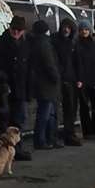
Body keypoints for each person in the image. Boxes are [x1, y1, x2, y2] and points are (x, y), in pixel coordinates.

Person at [0, 16, 32, 158]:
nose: (16, 32)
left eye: (19, 30)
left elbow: (29, 68)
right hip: (5, 88)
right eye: (14, 29)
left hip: (20, 88)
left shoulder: (26, 44)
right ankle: (4, 150)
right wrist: (3, 80)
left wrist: (28, 90)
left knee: (19, 120)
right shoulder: (1, 43)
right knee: (5, 120)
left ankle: (17, 149)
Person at [27, 20, 60, 149]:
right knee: (46, 113)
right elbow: (49, 64)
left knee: (46, 112)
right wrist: (56, 77)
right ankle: (42, 139)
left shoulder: (34, 42)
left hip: (41, 83)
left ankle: (47, 139)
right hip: (47, 84)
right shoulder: (44, 44)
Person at [74, 19, 95, 139]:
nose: (84, 32)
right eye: (82, 30)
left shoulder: (94, 44)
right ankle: (88, 132)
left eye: (86, 29)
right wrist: (79, 79)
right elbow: (77, 63)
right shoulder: (77, 44)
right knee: (84, 107)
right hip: (83, 80)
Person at [52, 19, 82, 146]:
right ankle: (55, 134)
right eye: (65, 27)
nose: (66, 30)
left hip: (71, 79)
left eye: (69, 28)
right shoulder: (55, 41)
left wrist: (79, 78)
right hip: (59, 79)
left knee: (71, 108)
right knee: (55, 109)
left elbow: (77, 62)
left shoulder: (73, 43)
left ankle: (69, 134)